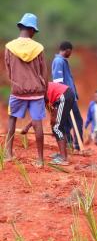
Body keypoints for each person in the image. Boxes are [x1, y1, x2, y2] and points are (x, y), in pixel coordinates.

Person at [4, 13, 48, 167]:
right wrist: (45, 92)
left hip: (17, 91)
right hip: (36, 92)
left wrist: (17, 82)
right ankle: (40, 160)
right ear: (30, 30)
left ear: (21, 27)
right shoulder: (39, 48)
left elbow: (8, 71)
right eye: (34, 31)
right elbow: (44, 73)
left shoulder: (9, 47)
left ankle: (8, 154)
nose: (34, 34)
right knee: (37, 124)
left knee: (12, 120)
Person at [52, 41, 84, 153]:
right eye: (71, 51)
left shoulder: (63, 61)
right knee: (77, 121)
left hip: (69, 97)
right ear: (67, 50)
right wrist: (65, 97)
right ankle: (77, 146)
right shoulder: (59, 61)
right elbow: (58, 82)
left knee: (68, 123)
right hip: (66, 97)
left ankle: (70, 145)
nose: (71, 54)